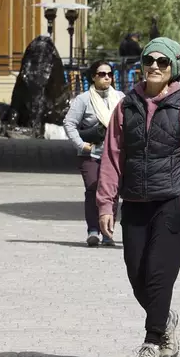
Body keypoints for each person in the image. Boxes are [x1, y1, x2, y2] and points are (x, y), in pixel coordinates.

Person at [96, 37, 180, 357]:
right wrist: (106, 204)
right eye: (149, 61)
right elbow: (112, 157)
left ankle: (151, 341)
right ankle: (165, 318)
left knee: (159, 275)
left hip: (171, 202)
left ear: (173, 66)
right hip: (134, 200)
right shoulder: (126, 106)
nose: (155, 67)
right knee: (137, 274)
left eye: (162, 62)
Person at [63, 60, 124, 246]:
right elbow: (69, 123)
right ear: (93, 77)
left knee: (112, 192)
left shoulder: (120, 98)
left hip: (114, 154)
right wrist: (81, 145)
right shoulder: (83, 99)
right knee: (94, 189)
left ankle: (108, 233)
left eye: (109, 74)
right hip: (91, 155)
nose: (106, 77)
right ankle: (93, 231)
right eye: (101, 74)